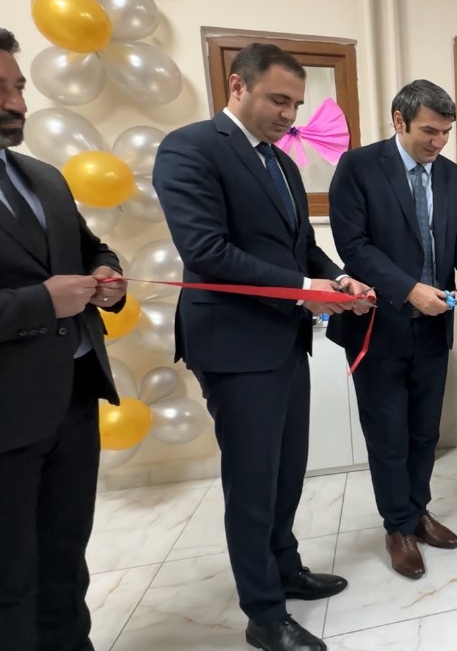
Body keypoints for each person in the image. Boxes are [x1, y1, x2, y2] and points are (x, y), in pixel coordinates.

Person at [155, 43, 365, 651]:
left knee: (285, 471)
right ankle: (263, 613)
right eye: (278, 99)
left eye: (296, 103)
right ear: (237, 84)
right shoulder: (190, 148)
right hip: (233, 343)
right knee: (251, 482)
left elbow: (300, 248)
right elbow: (206, 250)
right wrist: (305, 288)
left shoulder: (283, 164)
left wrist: (341, 277)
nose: (288, 114)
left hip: (282, 339)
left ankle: (285, 568)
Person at [0, 17, 126, 651]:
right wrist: (38, 302)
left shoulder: (43, 178)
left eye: (19, 86)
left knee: (64, 568)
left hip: (71, 406)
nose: (17, 103)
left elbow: (91, 247)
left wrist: (109, 273)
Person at [327, 80, 457, 581]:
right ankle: (397, 526)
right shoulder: (359, 167)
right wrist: (407, 289)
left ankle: (418, 510)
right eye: (429, 130)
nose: (438, 142)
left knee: (424, 430)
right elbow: (355, 246)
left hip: (433, 326)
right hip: (378, 326)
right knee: (388, 434)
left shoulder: (453, 176)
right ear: (399, 121)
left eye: (446, 132)